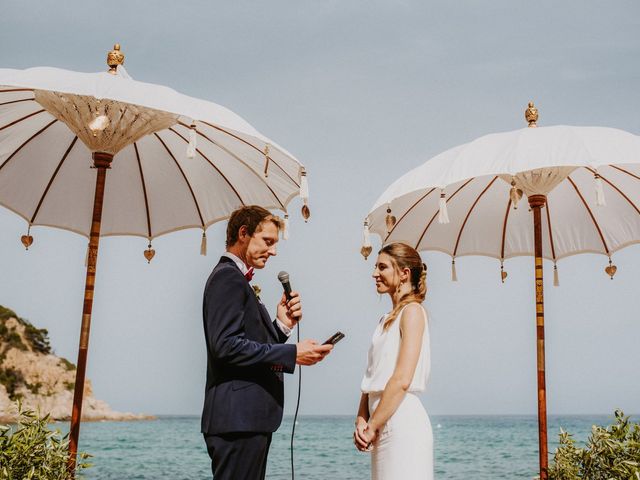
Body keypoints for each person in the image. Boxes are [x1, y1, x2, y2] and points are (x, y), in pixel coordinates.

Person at [202, 205, 333, 480]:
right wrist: (292, 353)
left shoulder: (237, 279)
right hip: (237, 420)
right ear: (243, 234)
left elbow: (247, 343)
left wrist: (282, 325)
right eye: (268, 242)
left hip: (246, 420)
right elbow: (225, 346)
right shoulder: (228, 277)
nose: (273, 251)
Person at [354, 242, 433, 479]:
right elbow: (371, 377)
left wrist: (373, 426)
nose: (374, 273)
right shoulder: (385, 319)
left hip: (401, 421)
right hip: (379, 420)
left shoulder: (413, 312)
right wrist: (361, 419)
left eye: (382, 267)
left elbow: (402, 379)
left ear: (404, 274)